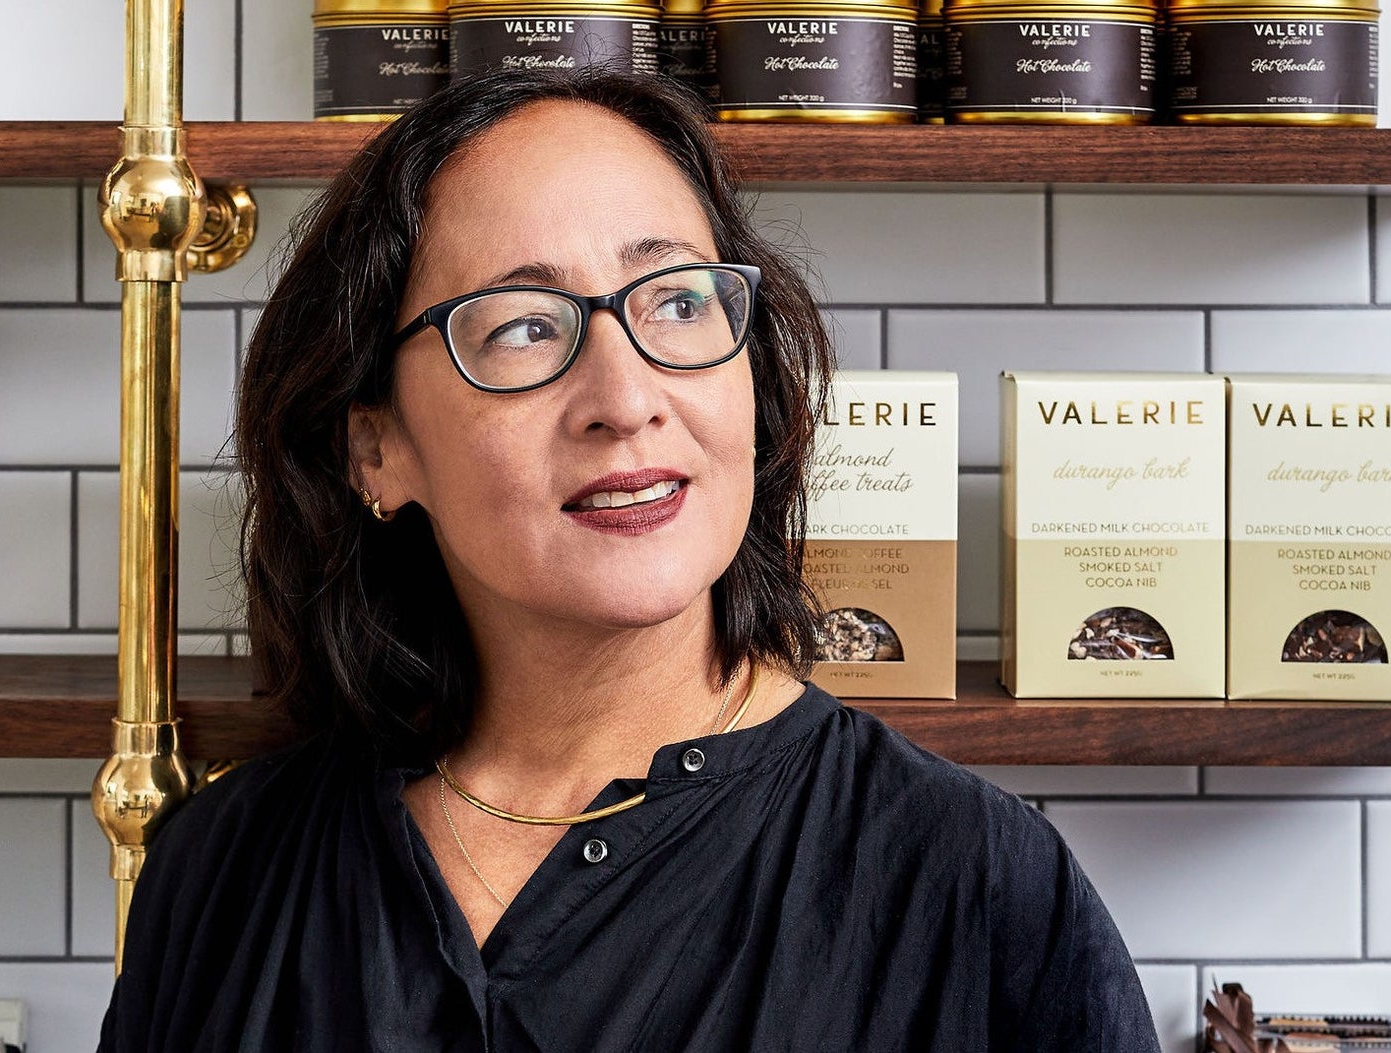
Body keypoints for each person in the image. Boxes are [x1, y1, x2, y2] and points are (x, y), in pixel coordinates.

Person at [99, 69, 1160, 1052]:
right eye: (521, 327)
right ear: (374, 445)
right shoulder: (224, 870)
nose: (625, 398)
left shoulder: (976, 891)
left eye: (678, 303)